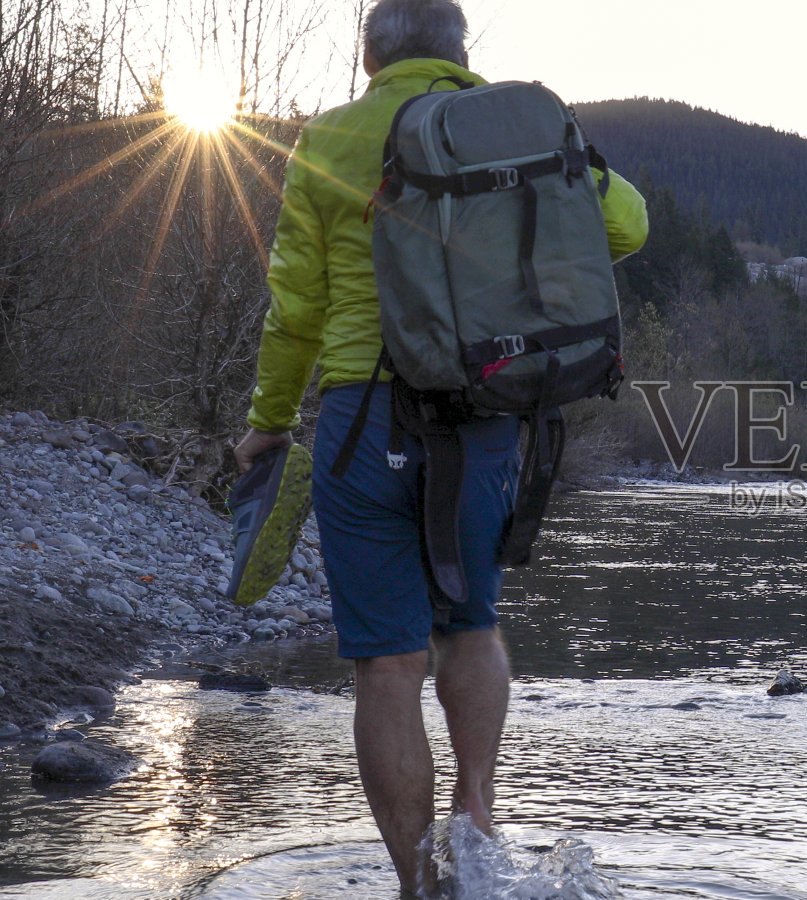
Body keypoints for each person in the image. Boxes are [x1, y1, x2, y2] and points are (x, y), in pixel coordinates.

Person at [231, 0, 647, 893]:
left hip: (363, 416)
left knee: (388, 661)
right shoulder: (512, 129)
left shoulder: (330, 139)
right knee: (472, 624)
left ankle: (419, 883)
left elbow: (296, 305)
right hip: (485, 410)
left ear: (369, 58)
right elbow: (629, 226)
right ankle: (478, 810)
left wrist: (270, 418)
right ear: (461, 52)